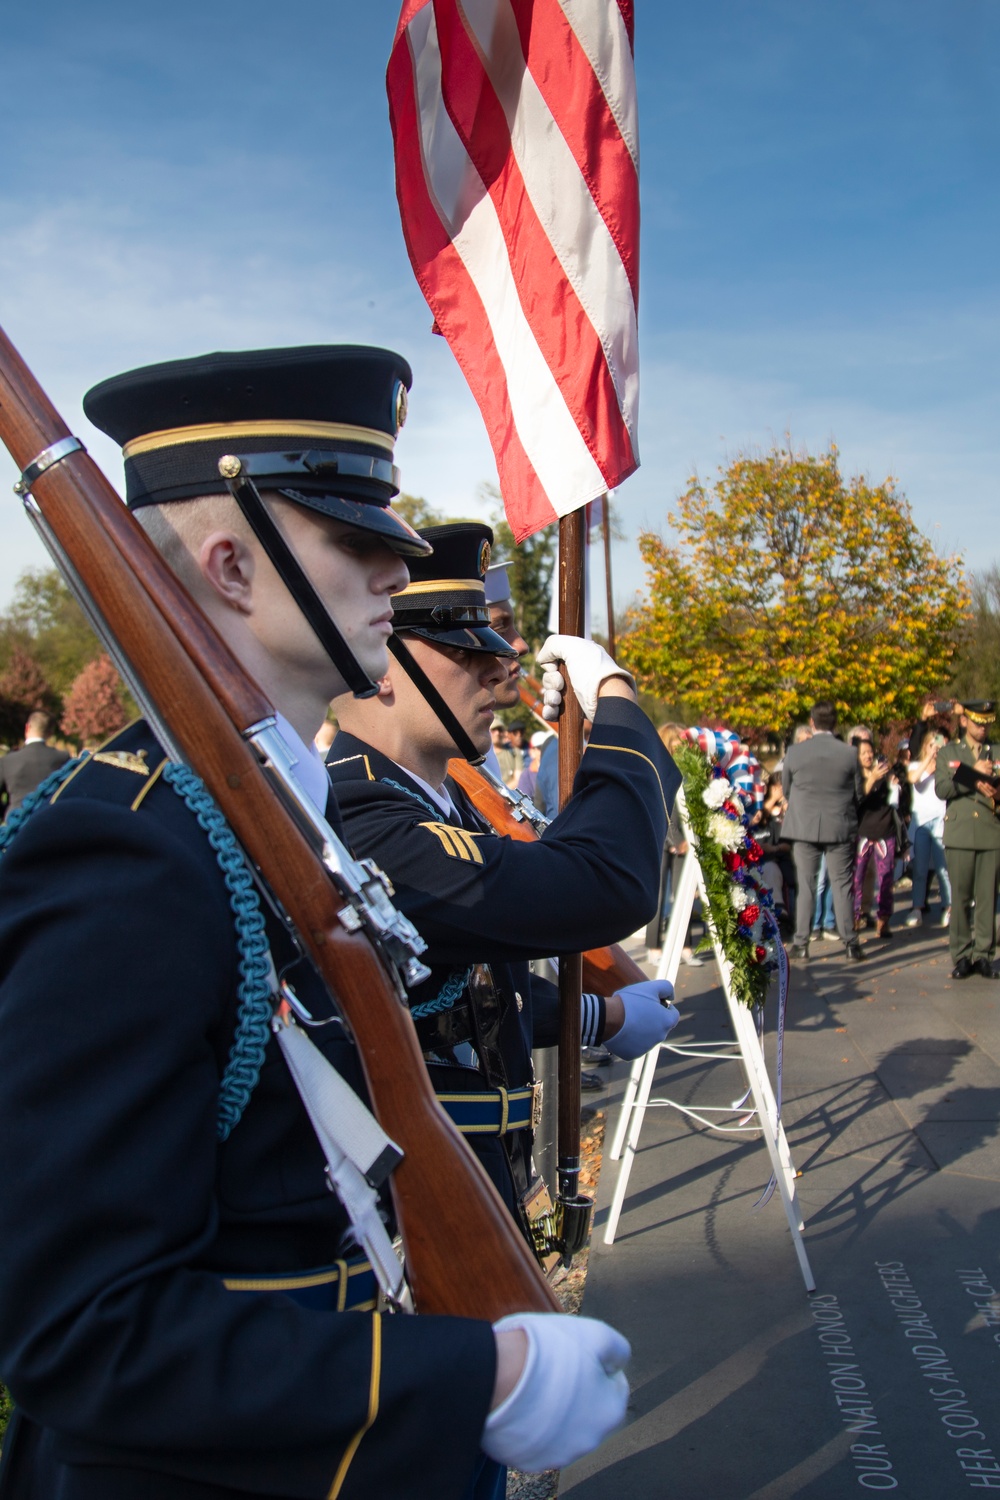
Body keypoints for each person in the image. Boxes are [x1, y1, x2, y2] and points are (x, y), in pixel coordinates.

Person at [0, 347, 630, 1500]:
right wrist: (467, 1377)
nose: (398, 567)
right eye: (356, 539)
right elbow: (88, 1331)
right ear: (231, 564)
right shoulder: (129, 845)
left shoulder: (289, 813)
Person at [327, 522, 681, 1224]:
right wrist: (616, 699)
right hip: (424, 1202)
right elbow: (600, 881)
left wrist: (598, 1015)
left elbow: (470, 983)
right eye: (465, 650)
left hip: (475, 1174)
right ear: (381, 661)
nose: (498, 671)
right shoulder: (365, 818)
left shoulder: (440, 798)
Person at [781, 699, 866, 961]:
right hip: (839, 824)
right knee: (842, 885)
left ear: (812, 722)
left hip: (804, 825)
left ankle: (802, 943)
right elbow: (859, 792)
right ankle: (851, 943)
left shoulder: (795, 752)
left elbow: (786, 789)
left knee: (806, 885)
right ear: (835, 723)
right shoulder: (849, 753)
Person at [935, 700, 1000, 980]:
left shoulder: (996, 751)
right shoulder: (949, 752)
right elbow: (942, 788)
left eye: (987, 722)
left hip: (990, 829)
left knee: (987, 897)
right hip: (960, 831)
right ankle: (961, 955)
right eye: (977, 722)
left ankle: (984, 954)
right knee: (960, 897)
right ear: (964, 722)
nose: (983, 728)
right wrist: (973, 776)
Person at [906, 721, 951, 927]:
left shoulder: (945, 766)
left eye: (939, 745)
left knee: (943, 869)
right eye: (932, 744)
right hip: (922, 823)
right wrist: (928, 759)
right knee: (920, 869)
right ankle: (917, 908)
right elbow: (915, 779)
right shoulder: (916, 765)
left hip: (941, 820)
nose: (936, 749)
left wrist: (941, 759)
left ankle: (949, 907)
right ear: (925, 745)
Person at [852, 738, 897, 940]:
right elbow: (857, 798)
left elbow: (896, 797)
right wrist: (871, 779)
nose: (868, 756)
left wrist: (894, 784)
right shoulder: (854, 777)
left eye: (870, 752)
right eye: (864, 753)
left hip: (885, 832)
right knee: (857, 878)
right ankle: (854, 918)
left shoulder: (885, 773)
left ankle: (884, 920)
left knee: (886, 878)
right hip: (862, 833)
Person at [0, 711, 71, 820]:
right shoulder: (63, 758)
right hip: (49, 820)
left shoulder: (7, 761)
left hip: (16, 823)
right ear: (50, 732)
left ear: (27, 727)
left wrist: (8, 813)